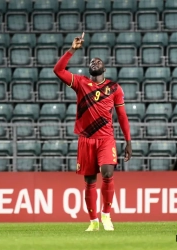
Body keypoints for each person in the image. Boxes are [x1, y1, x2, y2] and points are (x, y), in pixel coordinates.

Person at [53, 33, 132, 231]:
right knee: (89, 181)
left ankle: (106, 215)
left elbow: (122, 116)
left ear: (104, 68)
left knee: (107, 173)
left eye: (98, 61)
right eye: (91, 61)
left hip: (106, 139)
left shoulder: (114, 88)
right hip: (86, 139)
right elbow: (58, 70)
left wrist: (128, 141)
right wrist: (72, 50)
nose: (94, 62)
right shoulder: (80, 83)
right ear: (89, 69)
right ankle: (93, 221)